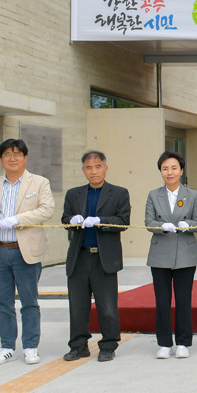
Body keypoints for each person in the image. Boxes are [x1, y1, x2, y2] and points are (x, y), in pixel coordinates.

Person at [0, 138, 55, 365]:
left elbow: (46, 210)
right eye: (7, 155)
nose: (12, 159)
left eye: (17, 154)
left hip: (26, 251)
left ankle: (30, 346)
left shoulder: (39, 182)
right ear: (1, 159)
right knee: (3, 303)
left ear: (25, 157)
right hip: (0, 250)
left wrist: (18, 219)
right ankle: (6, 346)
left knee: (29, 302)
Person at [62, 150, 132, 362]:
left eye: (98, 166)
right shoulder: (73, 194)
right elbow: (65, 219)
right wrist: (71, 220)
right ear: (84, 170)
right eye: (89, 167)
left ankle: (108, 345)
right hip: (79, 257)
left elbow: (123, 221)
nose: (94, 171)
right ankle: (78, 345)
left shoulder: (119, 193)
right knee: (78, 305)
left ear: (106, 168)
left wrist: (100, 220)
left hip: (104, 258)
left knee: (107, 305)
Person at [145, 151, 197, 359]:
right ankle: (164, 343)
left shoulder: (193, 195)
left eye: (173, 168)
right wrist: (162, 226)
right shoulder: (154, 195)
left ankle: (183, 342)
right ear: (160, 171)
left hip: (185, 254)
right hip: (160, 253)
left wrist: (189, 224)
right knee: (162, 301)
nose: (169, 172)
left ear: (181, 170)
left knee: (183, 300)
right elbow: (149, 222)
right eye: (165, 169)